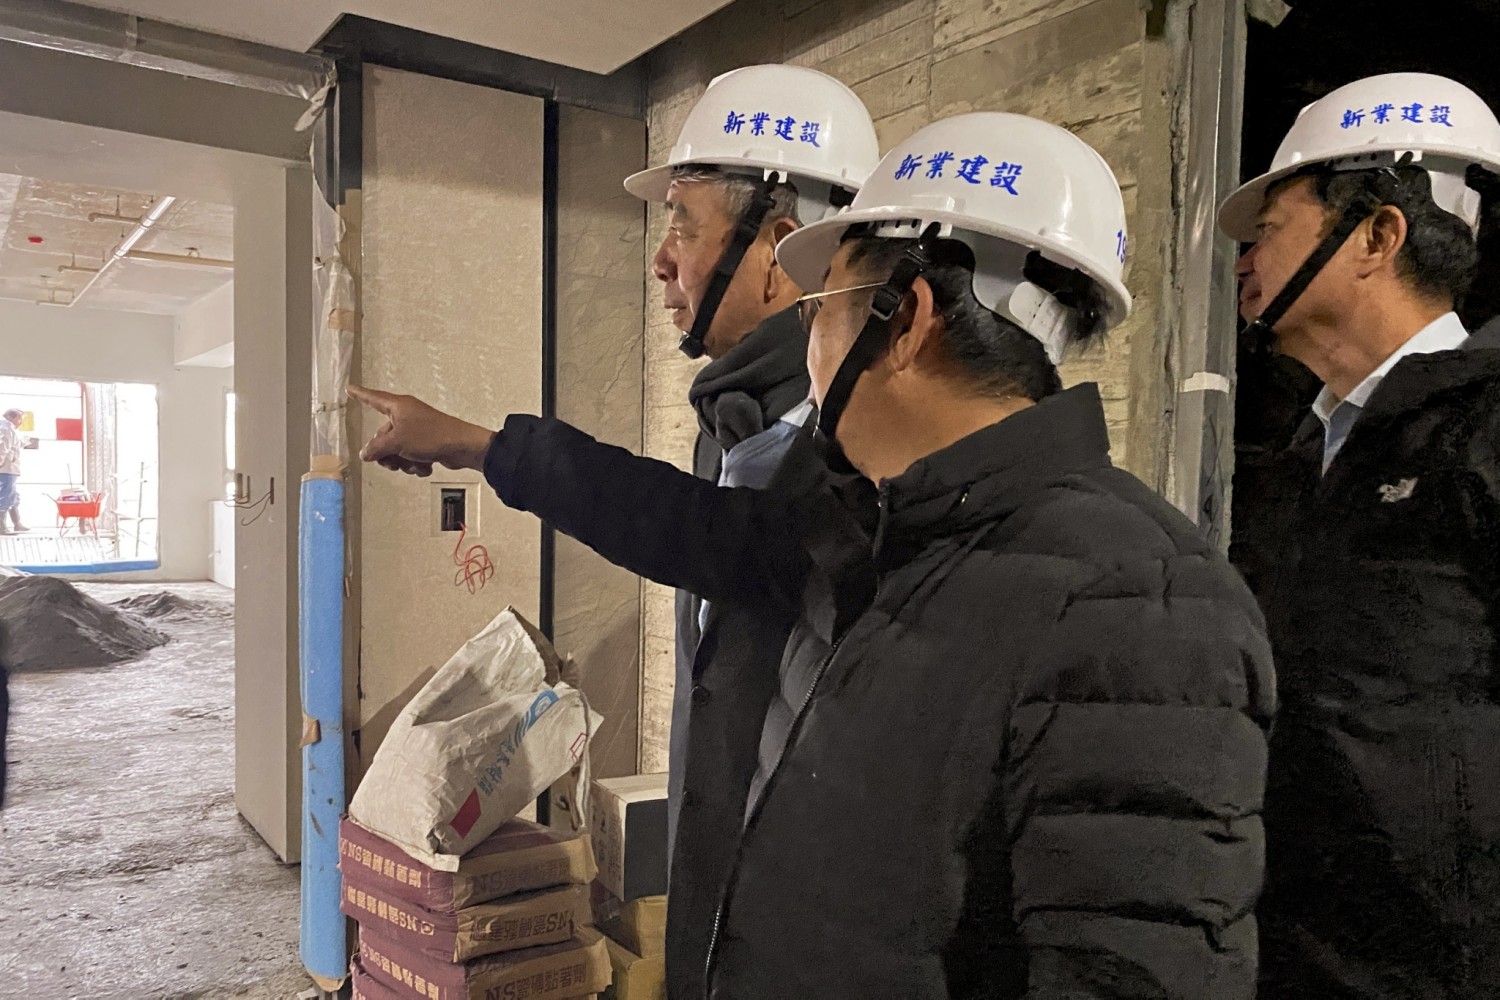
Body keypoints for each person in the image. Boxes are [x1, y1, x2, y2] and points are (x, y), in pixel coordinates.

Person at [354, 110, 1273, 998]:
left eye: (823, 305)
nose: (806, 334)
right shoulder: (891, 526)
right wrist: (484, 446)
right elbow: (687, 526)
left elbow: (1131, 964)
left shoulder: (1143, 603)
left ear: (904, 319)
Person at [1219, 71, 1500, 997]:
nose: (1243, 262)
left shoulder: (1482, 429)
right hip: (1290, 954)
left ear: (1378, 234)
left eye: (1270, 230)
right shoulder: (1304, 456)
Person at [0, 408, 27, 535]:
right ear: (12, 417)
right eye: (20, 418)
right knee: (6, 496)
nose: (21, 422)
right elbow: (2, 448)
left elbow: (15, 444)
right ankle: (1, 527)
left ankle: (17, 523)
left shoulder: (10, 429)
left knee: (13, 496)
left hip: (10, 468)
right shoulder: (5, 428)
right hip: (6, 469)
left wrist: (26, 441)